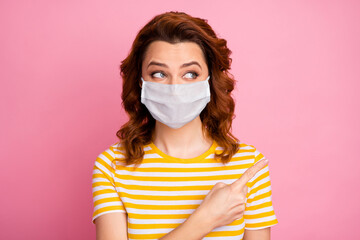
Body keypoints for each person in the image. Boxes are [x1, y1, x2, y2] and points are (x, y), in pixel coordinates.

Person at [91, 11, 278, 240]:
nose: (175, 87)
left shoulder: (248, 166)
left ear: (210, 81)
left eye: (190, 74)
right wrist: (206, 218)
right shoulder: (111, 167)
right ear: (141, 82)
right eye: (159, 73)